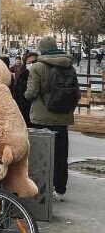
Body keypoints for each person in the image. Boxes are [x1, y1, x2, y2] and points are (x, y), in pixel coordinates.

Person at [25, 36, 80, 201]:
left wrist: (25, 94)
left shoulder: (37, 67)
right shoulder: (69, 66)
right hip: (63, 119)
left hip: (41, 118)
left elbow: (31, 93)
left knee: (40, 157)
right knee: (61, 155)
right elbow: (76, 93)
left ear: (42, 49)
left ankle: (41, 191)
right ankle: (60, 189)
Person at [12, 50, 38, 126]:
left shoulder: (43, 75)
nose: (32, 65)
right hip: (25, 112)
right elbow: (17, 96)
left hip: (39, 114)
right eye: (29, 63)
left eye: (34, 62)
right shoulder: (22, 76)